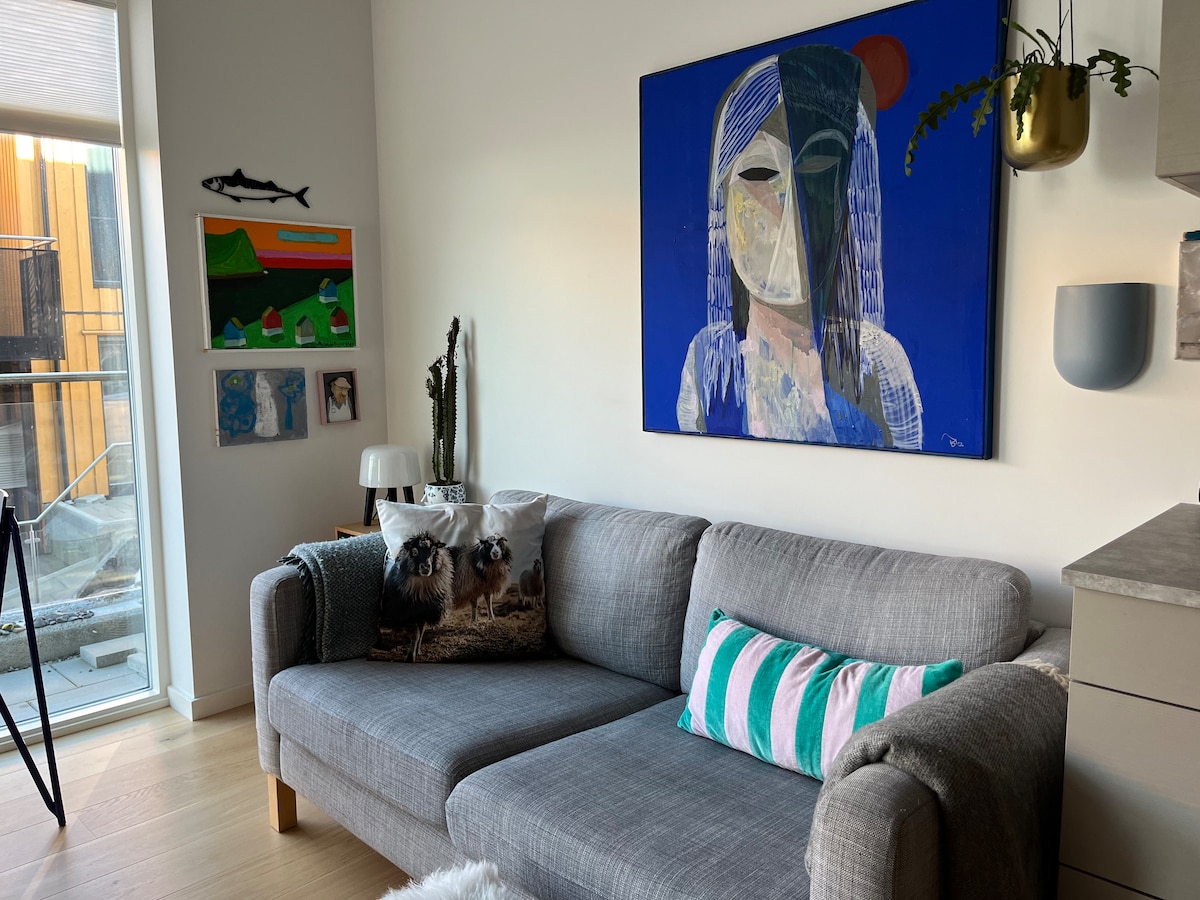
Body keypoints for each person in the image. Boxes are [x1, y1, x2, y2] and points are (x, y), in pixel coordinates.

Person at [676, 44, 922, 450]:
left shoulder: (878, 363)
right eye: (760, 173)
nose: (792, 212)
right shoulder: (708, 360)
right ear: (722, 196)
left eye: (818, 170)